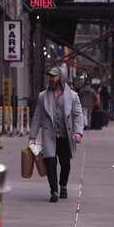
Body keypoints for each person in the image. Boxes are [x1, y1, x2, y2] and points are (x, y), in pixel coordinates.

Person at [29, 66, 84, 203]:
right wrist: (32, 136)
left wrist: (78, 132)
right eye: (50, 76)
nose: (51, 79)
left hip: (65, 135)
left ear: (62, 78)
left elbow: (78, 115)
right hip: (49, 135)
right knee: (50, 163)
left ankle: (63, 185)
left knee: (65, 164)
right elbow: (37, 116)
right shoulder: (43, 96)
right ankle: (54, 191)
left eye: (54, 76)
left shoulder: (72, 96)